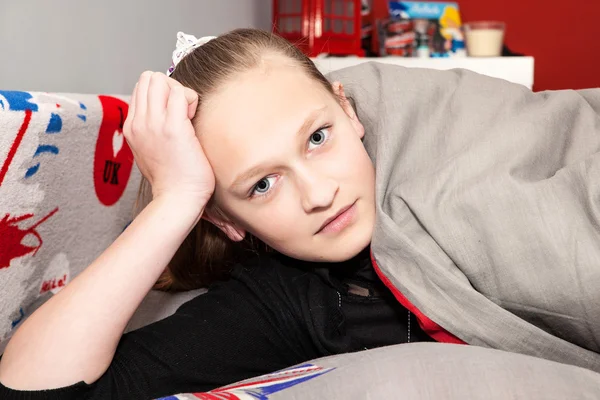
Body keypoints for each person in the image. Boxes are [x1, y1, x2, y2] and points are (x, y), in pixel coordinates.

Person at [0, 29, 434, 399]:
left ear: (348, 109)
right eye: (262, 184)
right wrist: (176, 198)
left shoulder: (441, 161)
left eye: (318, 138)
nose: (319, 194)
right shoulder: (282, 303)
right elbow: (32, 388)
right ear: (226, 220)